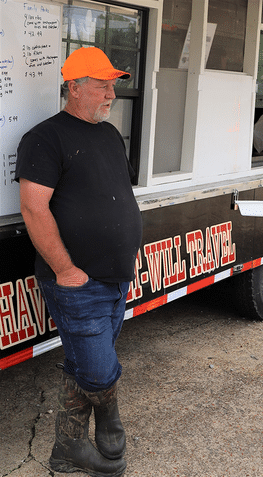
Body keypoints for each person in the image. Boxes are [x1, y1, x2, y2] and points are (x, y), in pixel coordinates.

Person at [15, 47, 142, 477]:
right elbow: (34, 209)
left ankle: (66, 450)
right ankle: (110, 418)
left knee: (79, 364)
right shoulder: (44, 138)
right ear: (74, 87)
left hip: (116, 277)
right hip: (74, 281)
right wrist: (66, 270)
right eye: (102, 85)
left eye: (113, 85)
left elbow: (116, 196)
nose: (112, 93)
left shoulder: (109, 135)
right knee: (98, 369)